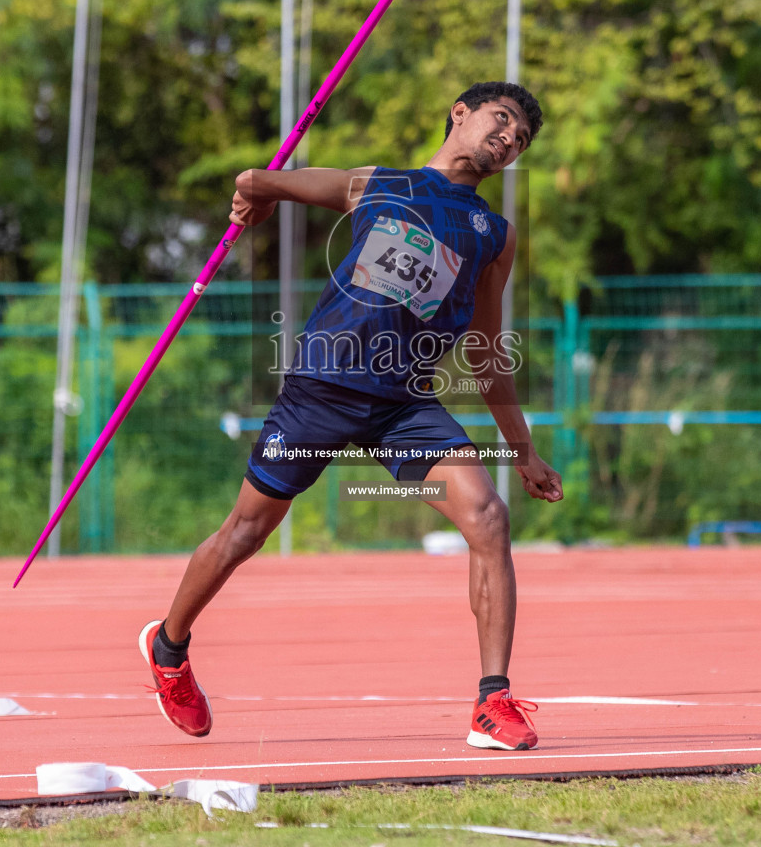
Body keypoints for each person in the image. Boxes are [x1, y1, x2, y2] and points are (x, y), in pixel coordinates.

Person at [138, 81, 564, 750]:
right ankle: (168, 649)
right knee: (245, 533)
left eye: (520, 139)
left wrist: (525, 450)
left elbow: (485, 349)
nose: (509, 139)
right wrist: (252, 186)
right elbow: (279, 182)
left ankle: (493, 701)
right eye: (501, 120)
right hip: (323, 388)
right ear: (460, 113)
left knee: (487, 516)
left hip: (405, 403)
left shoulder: (493, 234)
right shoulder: (378, 185)